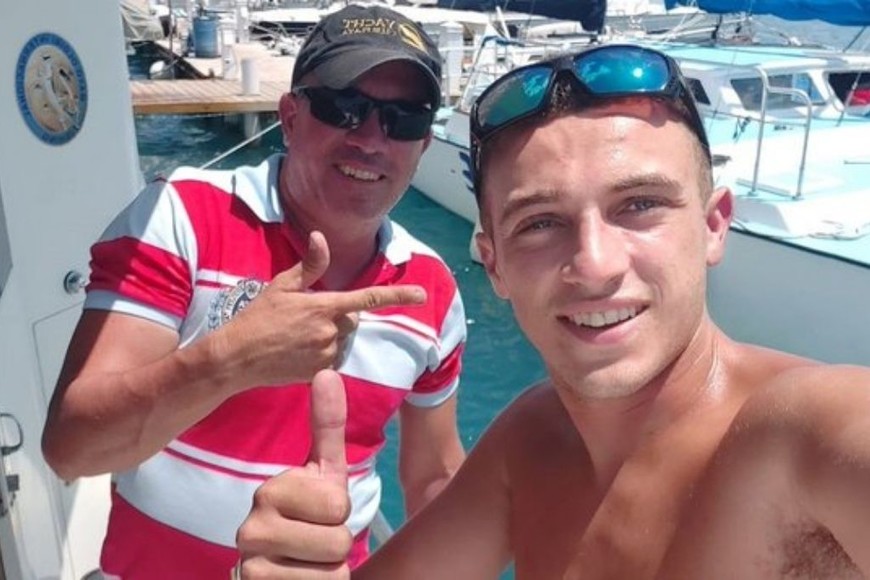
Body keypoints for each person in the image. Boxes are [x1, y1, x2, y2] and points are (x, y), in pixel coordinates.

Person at [234, 44, 870, 579]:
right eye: (540, 223)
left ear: (712, 226)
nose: (594, 264)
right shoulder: (531, 444)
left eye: (640, 205)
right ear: (494, 266)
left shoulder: (804, 433)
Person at [41, 4, 467, 578]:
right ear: (290, 116)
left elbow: (433, 477)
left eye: (405, 119)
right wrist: (232, 360)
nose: (371, 138)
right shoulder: (183, 217)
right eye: (343, 107)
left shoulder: (430, 288)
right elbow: (71, 449)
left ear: (424, 144)